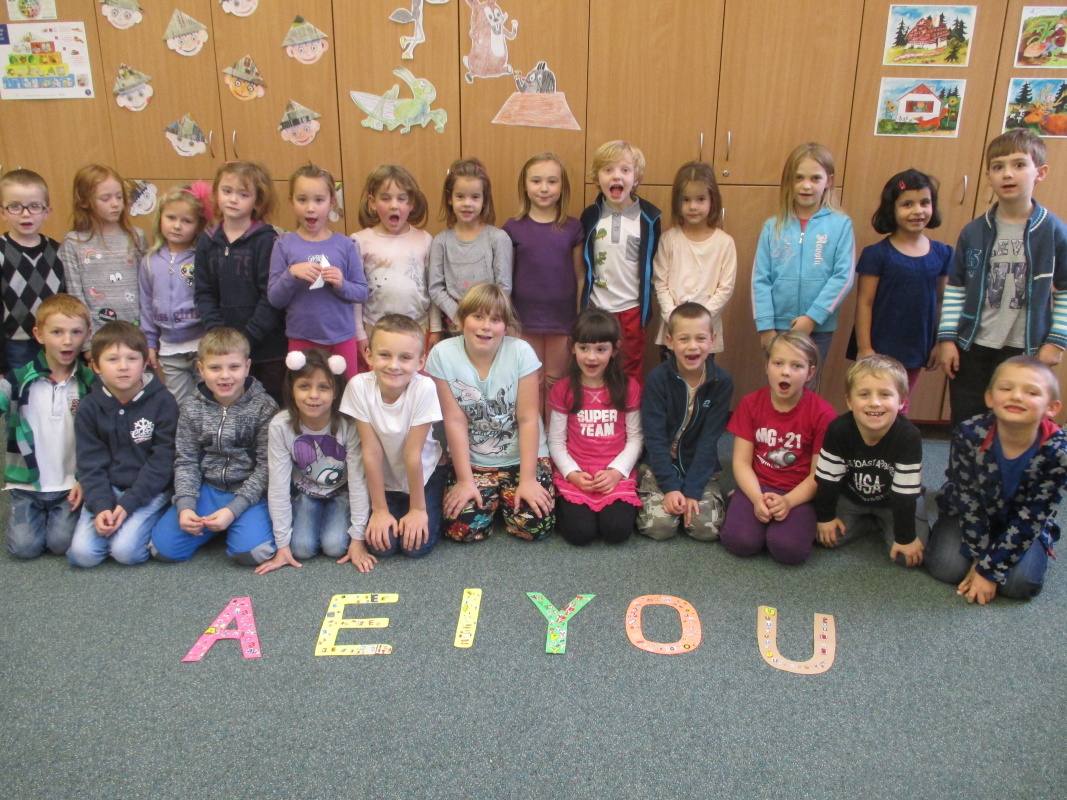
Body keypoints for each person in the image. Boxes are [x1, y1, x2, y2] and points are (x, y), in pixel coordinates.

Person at [938, 129, 1067, 429]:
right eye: (998, 167)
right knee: (967, 422)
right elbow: (956, 288)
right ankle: (964, 464)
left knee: (1017, 424)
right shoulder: (973, 232)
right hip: (973, 347)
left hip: (1027, 349)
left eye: (1019, 165)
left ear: (1040, 173)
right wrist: (947, 340)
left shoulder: (1054, 231)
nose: (1007, 174)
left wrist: (1057, 341)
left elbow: (1064, 290)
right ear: (988, 176)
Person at [928, 356, 1067, 602]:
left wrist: (988, 571)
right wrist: (979, 558)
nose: (1016, 396)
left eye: (1031, 392)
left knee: (1019, 586)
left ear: (1051, 407)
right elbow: (969, 502)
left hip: (1021, 520)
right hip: (969, 513)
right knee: (946, 568)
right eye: (1006, 389)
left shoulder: (1058, 452)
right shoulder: (969, 434)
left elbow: (1032, 516)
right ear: (990, 398)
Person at [426, 284, 554, 542]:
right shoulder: (442, 354)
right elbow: (455, 421)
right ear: (461, 320)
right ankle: (494, 500)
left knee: (535, 527)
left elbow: (528, 419)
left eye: (495, 320)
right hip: (474, 460)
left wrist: (528, 480)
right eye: (478, 316)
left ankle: (503, 500)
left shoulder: (521, 352)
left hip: (522, 458)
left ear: (505, 326)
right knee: (462, 530)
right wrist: (464, 481)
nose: (486, 326)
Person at [150, 327, 278, 565]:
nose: (225, 376)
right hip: (207, 489)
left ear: (247, 367)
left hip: (248, 493)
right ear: (201, 369)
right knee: (162, 551)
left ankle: (232, 524)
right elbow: (186, 461)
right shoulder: (191, 407)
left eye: (234, 367)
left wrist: (233, 510)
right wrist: (186, 506)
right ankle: (214, 526)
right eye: (215, 368)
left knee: (253, 554)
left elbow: (266, 467)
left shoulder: (264, 407)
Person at [720, 330, 836, 564]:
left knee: (788, 550)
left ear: (810, 372)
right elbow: (741, 462)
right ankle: (740, 500)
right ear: (767, 366)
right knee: (739, 542)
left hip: (798, 491)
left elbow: (818, 475)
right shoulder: (750, 403)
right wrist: (756, 498)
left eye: (797, 366)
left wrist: (789, 502)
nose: (786, 372)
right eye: (778, 363)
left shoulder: (823, 414)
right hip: (757, 485)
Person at [67, 321, 177, 567]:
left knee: (126, 552)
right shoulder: (89, 407)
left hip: (150, 491)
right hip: (108, 488)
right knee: (83, 555)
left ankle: (156, 518)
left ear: (145, 362)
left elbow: (162, 461)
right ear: (96, 366)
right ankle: (115, 522)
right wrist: (101, 506)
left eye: (132, 358)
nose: (123, 366)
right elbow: (90, 464)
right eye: (112, 359)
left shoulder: (163, 402)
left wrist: (128, 505)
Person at [341, 314, 448, 563]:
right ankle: (394, 509)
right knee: (383, 546)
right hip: (385, 478)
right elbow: (371, 452)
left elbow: (412, 454)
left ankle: (425, 507)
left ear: (420, 361)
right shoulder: (358, 386)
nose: (394, 365)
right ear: (369, 355)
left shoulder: (424, 388)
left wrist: (417, 509)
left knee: (416, 547)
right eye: (385, 355)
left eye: (405, 357)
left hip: (423, 475)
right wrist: (379, 510)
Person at [255, 349, 370, 575]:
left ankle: (338, 523)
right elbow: (278, 486)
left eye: (323, 387)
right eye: (304, 386)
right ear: (292, 389)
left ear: (336, 392)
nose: (313, 395)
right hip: (306, 493)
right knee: (301, 549)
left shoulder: (349, 425)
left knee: (335, 546)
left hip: (342, 493)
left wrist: (358, 539)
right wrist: (282, 546)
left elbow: (359, 481)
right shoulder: (281, 425)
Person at [752, 142, 855, 388]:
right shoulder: (772, 227)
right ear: (789, 181)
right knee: (779, 387)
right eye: (799, 177)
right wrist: (765, 327)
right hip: (778, 328)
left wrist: (812, 318)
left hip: (817, 328)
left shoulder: (840, 225)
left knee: (807, 389)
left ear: (829, 181)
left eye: (815, 178)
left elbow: (843, 277)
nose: (806, 185)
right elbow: (760, 279)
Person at [0, 294, 94, 558]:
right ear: (39, 335)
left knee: (61, 544)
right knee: (24, 549)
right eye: (57, 332)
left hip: (70, 486)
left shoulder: (90, 382)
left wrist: (87, 479)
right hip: (26, 486)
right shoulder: (18, 380)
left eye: (76, 332)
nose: (67, 340)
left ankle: (52, 519)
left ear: (87, 335)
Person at [849, 169, 952, 409]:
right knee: (872, 402)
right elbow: (865, 302)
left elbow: (942, 301)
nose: (918, 210)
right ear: (891, 209)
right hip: (879, 347)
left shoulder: (943, 253)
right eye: (907, 204)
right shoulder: (876, 255)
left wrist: (940, 342)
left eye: (924, 202)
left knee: (899, 404)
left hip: (916, 346)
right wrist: (865, 347)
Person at [814, 355, 927, 567]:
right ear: (849, 401)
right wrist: (825, 518)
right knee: (825, 537)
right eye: (864, 394)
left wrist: (905, 538)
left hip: (894, 501)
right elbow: (828, 480)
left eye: (885, 394)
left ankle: (885, 520)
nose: (874, 402)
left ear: (902, 401)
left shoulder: (909, 435)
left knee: (907, 556)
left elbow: (903, 494)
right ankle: (870, 524)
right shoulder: (838, 429)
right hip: (852, 499)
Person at [637, 302, 732, 541]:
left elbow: (709, 441)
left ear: (712, 340)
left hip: (698, 465)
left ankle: (698, 497)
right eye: (683, 339)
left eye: (700, 338)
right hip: (660, 463)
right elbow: (655, 439)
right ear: (670, 341)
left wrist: (693, 490)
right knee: (659, 528)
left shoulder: (722, 382)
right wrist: (670, 487)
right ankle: (660, 494)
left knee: (706, 530)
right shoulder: (657, 379)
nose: (692, 346)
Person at [194, 161, 286, 401]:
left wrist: (247, 339)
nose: (233, 199)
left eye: (243, 194)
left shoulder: (267, 240)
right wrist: (219, 333)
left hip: (267, 351)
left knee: (270, 405)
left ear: (257, 201)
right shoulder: (207, 240)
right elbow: (203, 292)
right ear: (216, 193)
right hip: (224, 353)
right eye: (227, 191)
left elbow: (272, 296)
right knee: (230, 405)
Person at [548, 309, 642, 545]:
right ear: (573, 347)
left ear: (615, 350)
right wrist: (572, 474)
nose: (591, 357)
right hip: (577, 471)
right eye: (584, 348)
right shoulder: (563, 389)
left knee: (616, 531)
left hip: (614, 472)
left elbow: (635, 439)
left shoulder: (629, 387)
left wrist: (616, 472)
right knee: (579, 534)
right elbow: (556, 441)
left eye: (601, 349)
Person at [268, 164, 368, 380]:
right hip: (301, 337)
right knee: (306, 391)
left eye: (319, 200)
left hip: (341, 338)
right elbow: (275, 299)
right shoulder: (283, 245)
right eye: (302, 200)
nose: (310, 208)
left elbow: (362, 292)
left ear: (332, 203)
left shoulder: (346, 245)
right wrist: (291, 274)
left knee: (345, 392)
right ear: (291, 201)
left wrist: (341, 283)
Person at [504, 152, 584, 416]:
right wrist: (507, 319)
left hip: (562, 320)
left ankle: (554, 435)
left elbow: (580, 275)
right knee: (532, 381)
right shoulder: (513, 228)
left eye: (552, 181)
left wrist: (579, 317)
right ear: (525, 185)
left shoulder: (572, 228)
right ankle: (534, 436)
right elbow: (506, 278)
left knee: (556, 381)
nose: (544, 188)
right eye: (536, 181)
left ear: (562, 187)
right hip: (524, 320)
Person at [580, 140, 661, 384]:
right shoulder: (590, 216)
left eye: (625, 170)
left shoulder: (649, 218)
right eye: (608, 170)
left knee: (630, 368)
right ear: (597, 178)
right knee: (595, 367)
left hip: (632, 309)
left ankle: (630, 409)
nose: (616, 176)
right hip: (597, 307)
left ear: (636, 178)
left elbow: (653, 263)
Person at [351, 164, 440, 364]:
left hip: (418, 328)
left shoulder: (425, 239)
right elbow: (356, 295)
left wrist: (435, 328)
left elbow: (432, 287)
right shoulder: (360, 241)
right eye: (385, 198)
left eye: (401, 198)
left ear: (412, 203)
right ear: (372, 202)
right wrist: (359, 333)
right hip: (375, 329)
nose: (394, 205)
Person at [652, 161, 736, 357]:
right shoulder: (668, 240)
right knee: (671, 375)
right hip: (673, 333)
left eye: (700, 199)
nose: (693, 206)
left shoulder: (725, 243)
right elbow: (660, 284)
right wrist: (674, 319)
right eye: (686, 199)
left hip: (705, 335)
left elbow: (725, 288)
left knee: (703, 376)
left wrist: (701, 322)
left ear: (712, 200)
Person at [138, 183, 212, 404]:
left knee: (209, 399)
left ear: (199, 226)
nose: (177, 226)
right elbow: (146, 304)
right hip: (169, 348)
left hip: (201, 344)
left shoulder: (202, 258)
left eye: (187, 221)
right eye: (171, 218)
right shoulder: (149, 261)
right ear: (160, 218)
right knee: (180, 405)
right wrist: (150, 343)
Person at [59, 164, 147, 336]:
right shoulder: (73, 242)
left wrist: (148, 334)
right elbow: (75, 296)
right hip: (97, 336)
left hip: (136, 332)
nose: (115, 204)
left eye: (119, 197)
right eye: (105, 198)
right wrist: (86, 341)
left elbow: (146, 288)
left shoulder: (136, 236)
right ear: (84, 201)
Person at [428, 157, 512, 327]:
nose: (467, 203)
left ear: (484, 200)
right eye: (460, 196)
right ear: (450, 198)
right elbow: (435, 288)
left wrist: (482, 317)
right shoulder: (440, 242)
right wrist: (459, 316)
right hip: (454, 323)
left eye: (475, 197)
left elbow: (503, 287)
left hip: (487, 324)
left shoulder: (498, 238)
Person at [0, 168, 66, 373]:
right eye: (15, 206)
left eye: (35, 206)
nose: (26, 213)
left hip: (56, 342)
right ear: (2, 213)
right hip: (15, 345)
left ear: (47, 213)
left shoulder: (58, 252)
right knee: (21, 391)